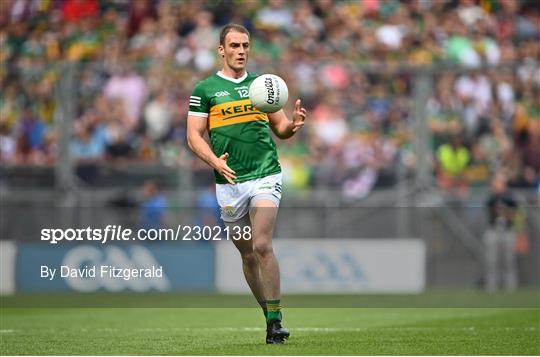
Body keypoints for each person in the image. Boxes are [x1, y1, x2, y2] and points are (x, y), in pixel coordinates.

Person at [186, 23, 306, 344]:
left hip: (265, 174)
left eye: (245, 45)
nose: (241, 51)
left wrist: (292, 127)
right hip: (228, 184)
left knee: (262, 244)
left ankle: (276, 319)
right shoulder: (205, 89)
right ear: (221, 50)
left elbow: (279, 128)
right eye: (235, 46)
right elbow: (193, 136)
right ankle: (268, 317)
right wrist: (215, 161)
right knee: (248, 256)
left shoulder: (264, 85)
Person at [484, 173, 522, 292]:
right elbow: (489, 211)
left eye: (499, 183)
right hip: (494, 229)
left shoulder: (510, 198)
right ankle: (491, 286)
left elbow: (515, 215)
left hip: (507, 230)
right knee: (492, 260)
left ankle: (510, 286)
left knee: (509, 260)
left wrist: (504, 210)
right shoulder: (491, 197)